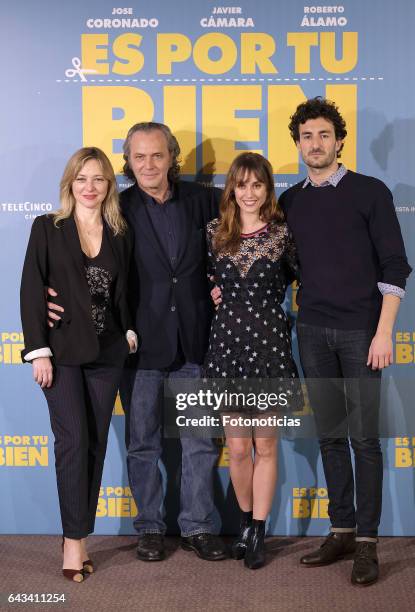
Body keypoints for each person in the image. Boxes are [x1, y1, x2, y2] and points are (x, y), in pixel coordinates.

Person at [48, 123, 227, 562]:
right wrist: (52, 302)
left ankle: (198, 527)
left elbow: (227, 251)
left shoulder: (202, 200)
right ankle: (149, 527)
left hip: (194, 339)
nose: (149, 165)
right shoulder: (116, 209)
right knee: (142, 442)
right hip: (137, 345)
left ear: (171, 157)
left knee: (200, 440)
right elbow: (85, 265)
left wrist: (224, 285)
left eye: (157, 155)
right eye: (139, 157)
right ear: (128, 162)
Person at [279, 97, 412, 586]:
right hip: (311, 331)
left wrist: (383, 331)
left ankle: (370, 543)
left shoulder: (369, 192)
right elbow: (285, 268)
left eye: (323, 135)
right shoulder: (290, 201)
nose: (315, 144)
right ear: (298, 144)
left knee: (364, 440)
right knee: (331, 437)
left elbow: (395, 266)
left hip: (362, 333)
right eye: (306, 136)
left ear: (339, 140)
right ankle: (341, 530)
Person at [20, 147, 138, 582]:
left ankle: (81, 535)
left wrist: (127, 331)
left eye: (99, 179)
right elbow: (32, 290)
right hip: (62, 354)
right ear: (70, 183)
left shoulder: (119, 231)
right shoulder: (48, 228)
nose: (90, 187)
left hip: (108, 354)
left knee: (95, 445)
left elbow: (124, 290)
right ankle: (73, 542)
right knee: (72, 442)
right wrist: (39, 350)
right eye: (82, 178)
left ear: (109, 186)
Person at [204, 152, 302, 569]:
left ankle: (258, 530)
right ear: (232, 189)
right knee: (239, 449)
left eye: (257, 185)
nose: (248, 193)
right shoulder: (214, 233)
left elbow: (305, 279)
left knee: (265, 445)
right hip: (227, 348)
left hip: (269, 348)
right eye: (241, 185)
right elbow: (208, 277)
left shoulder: (282, 234)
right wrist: (213, 289)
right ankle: (244, 522)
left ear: (267, 189)